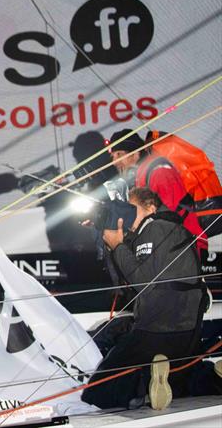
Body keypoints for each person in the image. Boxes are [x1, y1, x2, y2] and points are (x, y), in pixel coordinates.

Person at [81, 187, 207, 410]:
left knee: (98, 391)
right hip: (184, 331)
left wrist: (118, 245)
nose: (126, 215)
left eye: (132, 209)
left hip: (158, 327)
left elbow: (143, 283)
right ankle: (207, 377)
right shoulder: (168, 229)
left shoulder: (155, 228)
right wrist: (110, 239)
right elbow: (125, 281)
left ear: (150, 207)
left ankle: (142, 384)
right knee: (179, 377)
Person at [107, 129, 208, 252]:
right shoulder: (138, 176)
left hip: (183, 246)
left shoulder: (158, 171)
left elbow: (171, 214)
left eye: (119, 154)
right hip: (165, 244)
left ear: (135, 153)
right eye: (112, 156)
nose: (114, 162)